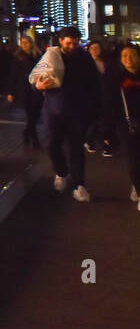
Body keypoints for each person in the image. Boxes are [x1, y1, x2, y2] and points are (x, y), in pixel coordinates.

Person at [33, 26, 100, 202]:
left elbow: (94, 82)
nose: (72, 46)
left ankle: (79, 185)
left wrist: (91, 106)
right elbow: (37, 76)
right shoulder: (51, 55)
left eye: (75, 43)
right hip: (53, 110)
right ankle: (61, 172)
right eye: (69, 43)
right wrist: (37, 86)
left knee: (76, 148)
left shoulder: (84, 57)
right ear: (61, 41)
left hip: (77, 111)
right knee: (51, 143)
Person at [104, 43, 140, 212]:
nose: (129, 59)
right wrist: (107, 130)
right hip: (125, 124)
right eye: (125, 56)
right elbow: (108, 105)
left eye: (132, 55)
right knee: (133, 161)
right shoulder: (115, 77)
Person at [6, 34, 43, 148]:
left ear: (31, 43)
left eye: (26, 42)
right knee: (30, 115)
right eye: (22, 43)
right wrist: (10, 92)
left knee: (35, 115)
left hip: (36, 89)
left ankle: (26, 132)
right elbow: (13, 75)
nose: (24, 45)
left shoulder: (38, 55)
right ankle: (35, 139)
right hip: (23, 90)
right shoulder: (18, 57)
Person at [85, 41, 114, 157]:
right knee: (93, 121)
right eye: (92, 48)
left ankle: (106, 145)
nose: (95, 50)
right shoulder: (85, 64)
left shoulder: (107, 63)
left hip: (105, 96)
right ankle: (89, 140)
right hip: (91, 97)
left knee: (105, 121)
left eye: (97, 47)